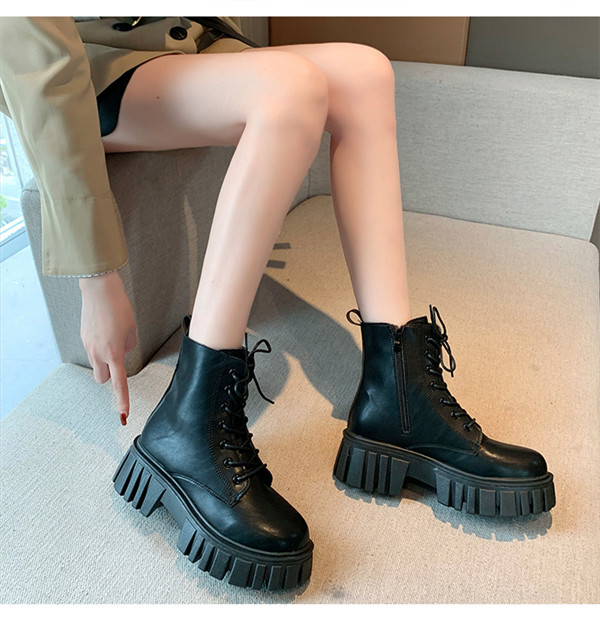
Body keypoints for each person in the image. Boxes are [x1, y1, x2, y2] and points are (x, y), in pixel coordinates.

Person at [0, 16, 556, 591]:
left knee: (365, 72)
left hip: (167, 40)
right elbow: (29, 43)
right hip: (78, 69)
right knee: (290, 87)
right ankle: (186, 422)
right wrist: (95, 276)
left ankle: (397, 394)